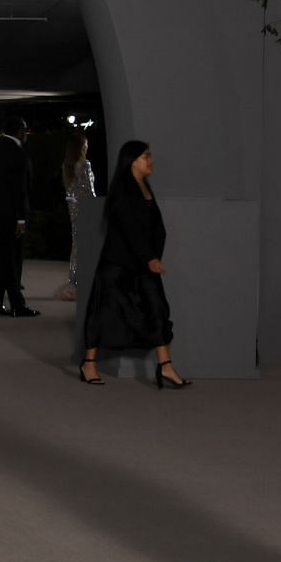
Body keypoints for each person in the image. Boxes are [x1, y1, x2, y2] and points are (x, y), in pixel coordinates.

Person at [81, 140, 191, 389]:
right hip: (117, 264)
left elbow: (157, 228)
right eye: (145, 157)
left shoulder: (145, 187)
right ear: (131, 161)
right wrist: (150, 258)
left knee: (157, 308)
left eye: (150, 156)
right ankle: (89, 363)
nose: (150, 161)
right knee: (102, 311)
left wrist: (154, 256)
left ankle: (165, 366)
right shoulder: (122, 190)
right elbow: (130, 230)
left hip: (142, 264)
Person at [0, 117, 38, 318]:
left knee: (3, 259)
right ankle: (17, 304)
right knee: (9, 260)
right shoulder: (17, 152)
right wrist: (21, 217)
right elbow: (20, 188)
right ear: (20, 132)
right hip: (11, 215)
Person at [57, 130, 95, 301]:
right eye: (85, 144)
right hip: (86, 208)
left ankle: (74, 279)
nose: (87, 146)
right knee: (86, 244)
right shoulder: (84, 164)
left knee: (77, 242)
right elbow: (89, 190)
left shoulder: (66, 165)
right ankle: (83, 280)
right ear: (81, 147)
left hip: (73, 207)